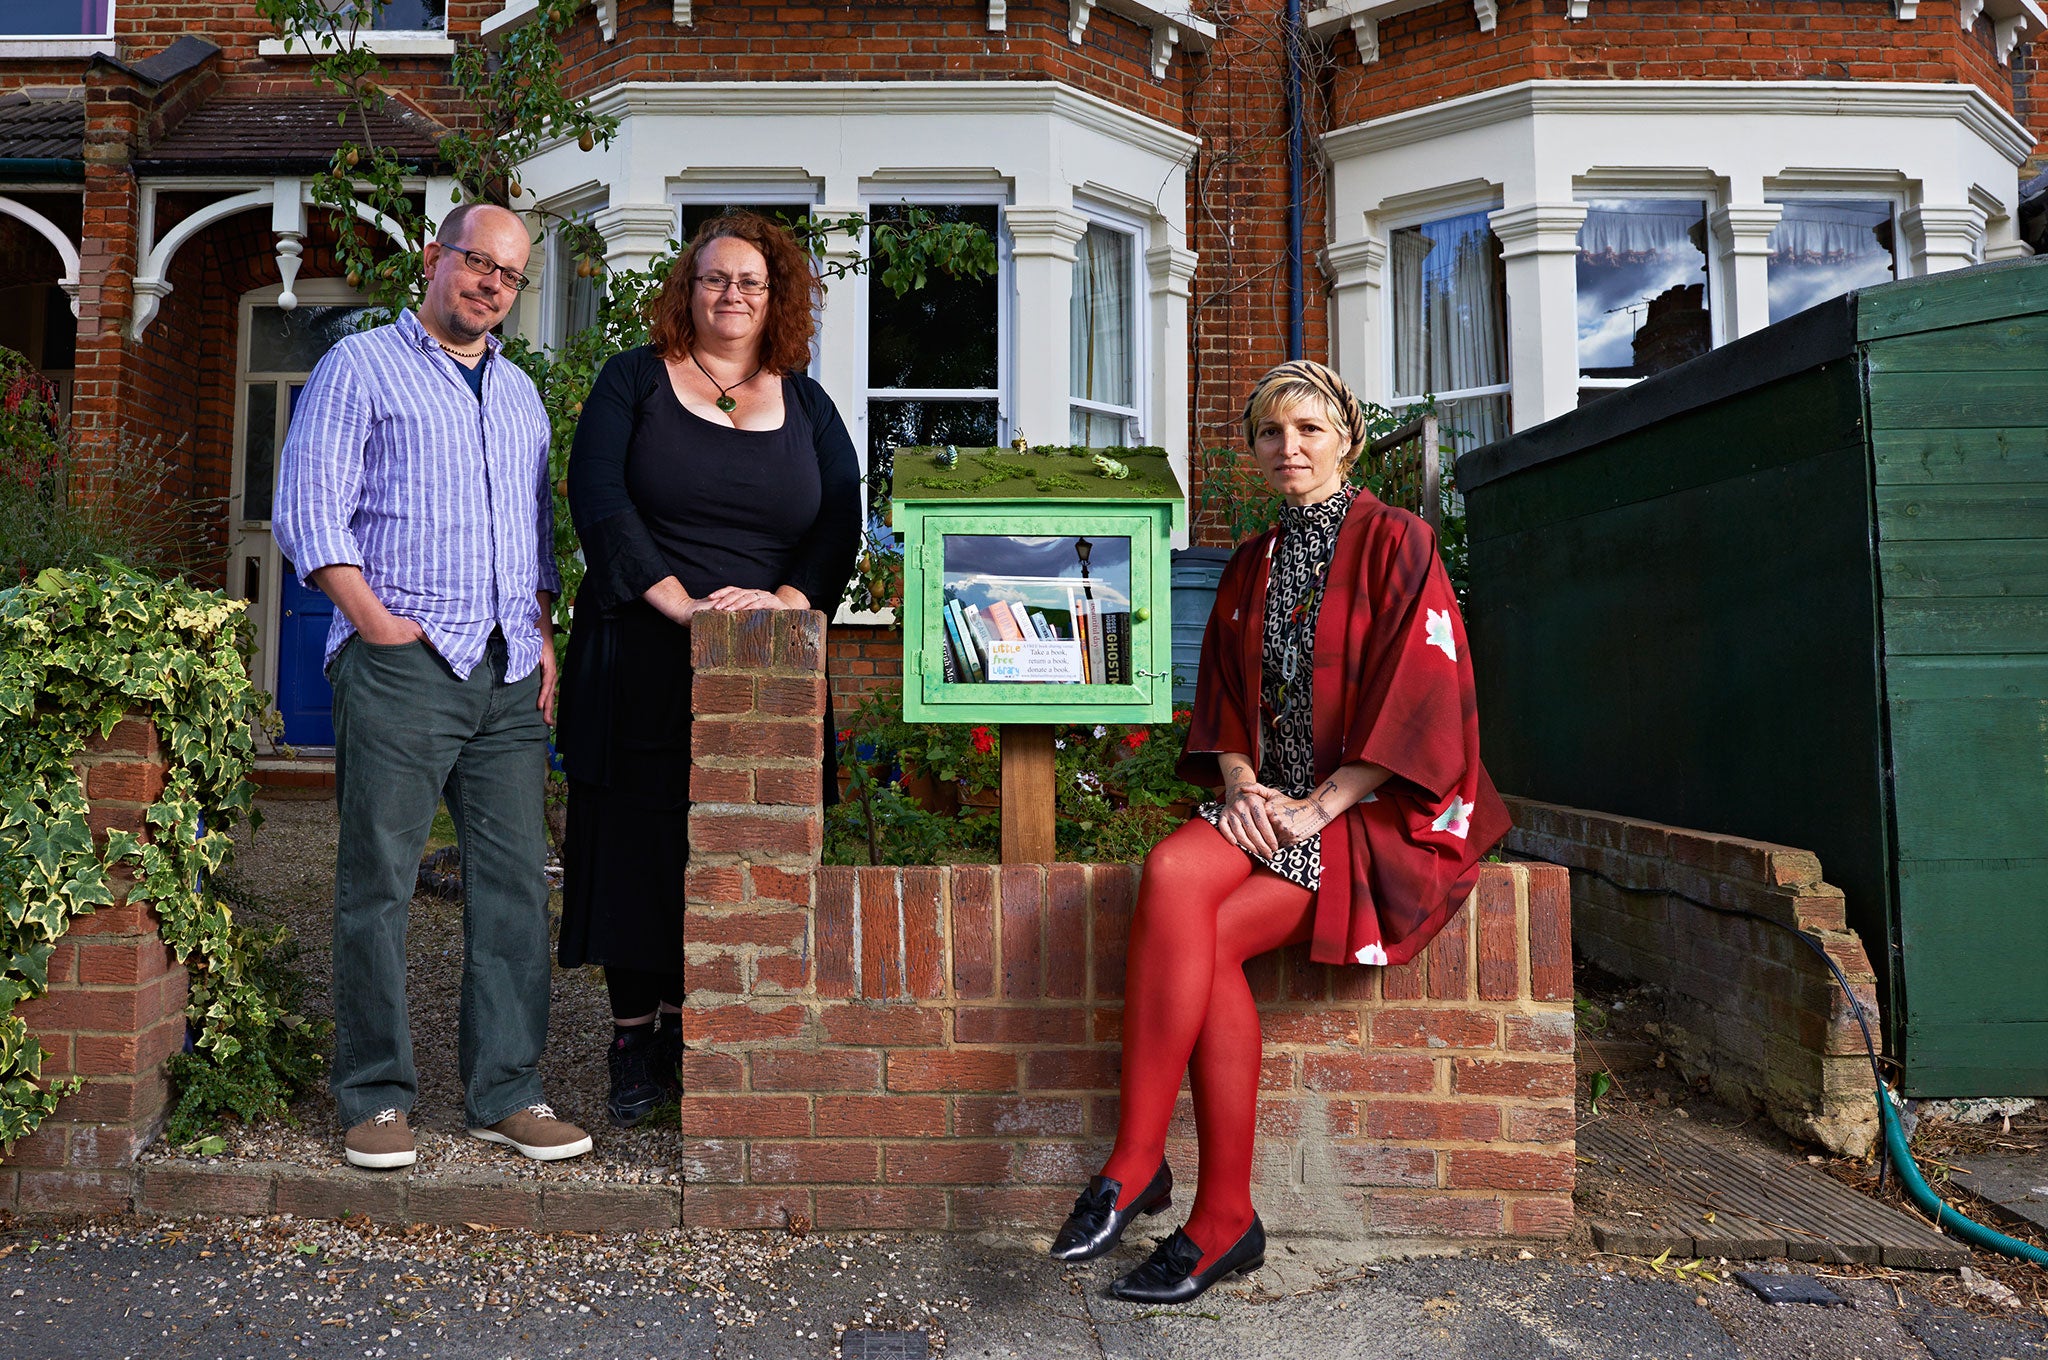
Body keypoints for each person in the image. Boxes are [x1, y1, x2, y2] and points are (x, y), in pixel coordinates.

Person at [1048, 360, 1510, 1301]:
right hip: (1277, 802)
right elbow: (1221, 696)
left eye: (1307, 428)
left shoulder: (1397, 540)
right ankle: (1150, 1169)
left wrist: (1318, 804)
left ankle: (1209, 1211)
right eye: (1269, 432)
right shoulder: (1254, 560)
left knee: (1204, 936)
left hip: (1379, 812)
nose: (1287, 447)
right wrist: (1244, 782)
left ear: (1345, 434)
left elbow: (1425, 696)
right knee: (1174, 872)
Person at [275, 201, 592, 1170]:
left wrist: (539, 636)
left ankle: (507, 1091)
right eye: (477, 263)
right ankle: (373, 1096)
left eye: (508, 274)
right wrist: (372, 621)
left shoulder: (522, 394)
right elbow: (307, 509)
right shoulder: (358, 367)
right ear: (433, 257)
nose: (491, 284)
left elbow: (534, 537)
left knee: (511, 891)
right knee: (376, 885)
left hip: (503, 674)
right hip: (403, 664)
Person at [557, 210, 860, 1126]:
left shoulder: (806, 403)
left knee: (736, 844)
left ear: (777, 301)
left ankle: (703, 1027)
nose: (733, 295)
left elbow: (839, 522)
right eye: (715, 279)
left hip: (766, 667)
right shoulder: (634, 383)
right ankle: (633, 1038)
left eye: (751, 283)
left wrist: (785, 604)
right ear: (687, 293)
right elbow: (598, 498)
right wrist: (680, 602)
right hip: (643, 649)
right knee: (638, 849)